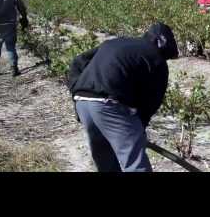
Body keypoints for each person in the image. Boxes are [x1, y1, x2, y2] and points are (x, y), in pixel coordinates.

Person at [67, 22, 178, 172]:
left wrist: (77, 93)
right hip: (109, 104)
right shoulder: (157, 60)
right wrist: (139, 129)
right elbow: (150, 103)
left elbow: (78, 62)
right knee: (135, 164)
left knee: (105, 159)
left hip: (83, 101)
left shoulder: (116, 42)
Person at [0, 0, 29, 77]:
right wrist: (24, 18)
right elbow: (22, 7)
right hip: (10, 24)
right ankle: (14, 69)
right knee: (11, 47)